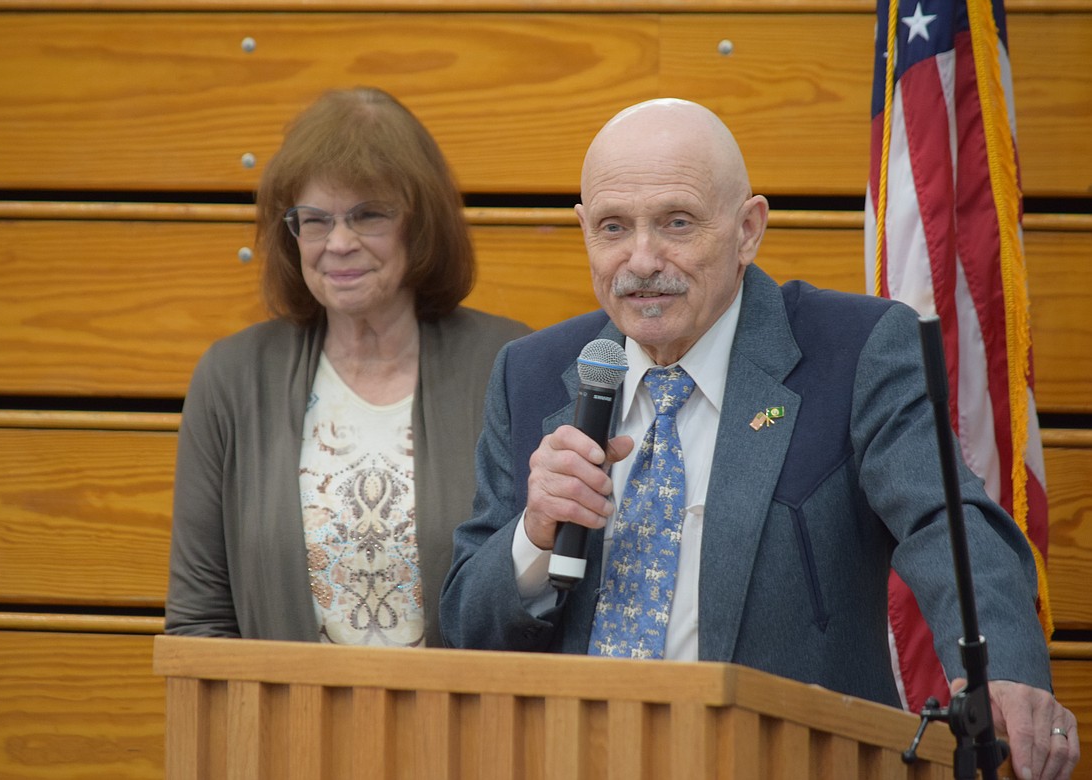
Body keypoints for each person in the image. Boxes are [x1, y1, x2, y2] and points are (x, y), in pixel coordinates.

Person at [440, 98, 1079, 778]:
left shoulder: (850, 350)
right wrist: (535, 535)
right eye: (613, 227)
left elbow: (947, 524)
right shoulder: (533, 374)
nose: (642, 258)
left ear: (747, 229)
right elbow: (465, 625)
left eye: (677, 222)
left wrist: (1004, 670)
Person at [166, 87, 529, 648]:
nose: (338, 243)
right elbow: (199, 622)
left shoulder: (507, 365)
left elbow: (539, 598)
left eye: (368, 216)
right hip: (283, 728)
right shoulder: (232, 378)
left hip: (465, 729)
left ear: (420, 223)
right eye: (314, 220)